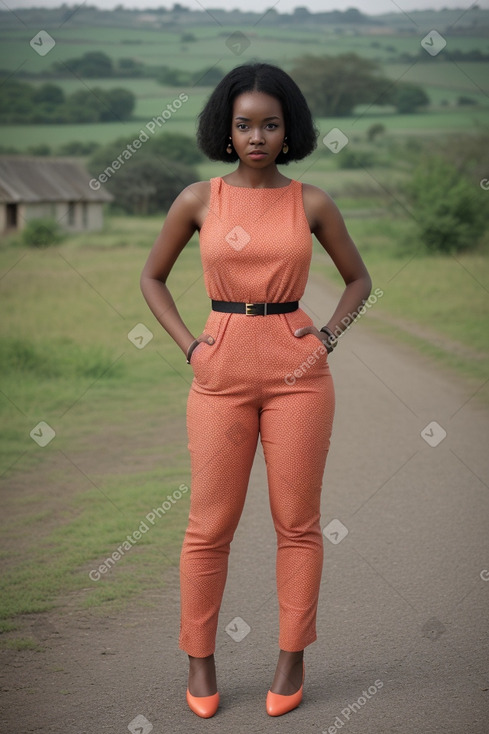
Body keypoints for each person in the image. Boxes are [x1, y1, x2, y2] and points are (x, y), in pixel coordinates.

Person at [140, 62, 372, 718]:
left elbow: (358, 280)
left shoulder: (312, 202)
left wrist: (325, 335)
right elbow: (151, 278)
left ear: (289, 130)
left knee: (296, 525)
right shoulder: (196, 200)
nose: (256, 136)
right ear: (225, 129)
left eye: (270, 124)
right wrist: (190, 344)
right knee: (207, 526)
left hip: (299, 379)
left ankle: (291, 658)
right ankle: (200, 662)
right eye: (243, 125)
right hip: (219, 380)